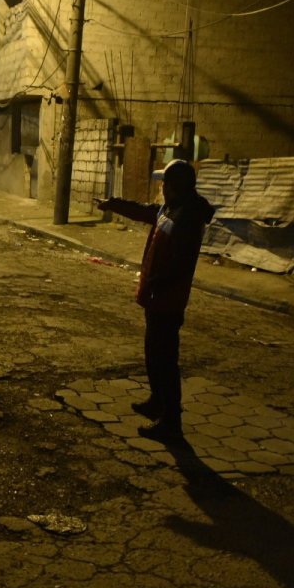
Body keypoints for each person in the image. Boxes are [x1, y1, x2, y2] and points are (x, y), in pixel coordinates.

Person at [97, 159, 214, 443]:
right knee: (153, 353)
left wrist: (157, 282)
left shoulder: (187, 216)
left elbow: (181, 263)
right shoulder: (171, 208)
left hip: (168, 300)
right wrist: (113, 203)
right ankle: (157, 401)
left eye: (165, 183)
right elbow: (145, 212)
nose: (161, 188)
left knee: (165, 360)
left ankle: (171, 421)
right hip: (156, 297)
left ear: (174, 186)